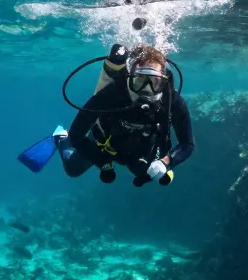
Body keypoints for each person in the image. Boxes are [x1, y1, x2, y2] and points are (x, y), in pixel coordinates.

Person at [55, 43, 194, 186]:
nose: (146, 89)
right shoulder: (113, 93)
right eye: (140, 80)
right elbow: (77, 134)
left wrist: (166, 162)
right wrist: (103, 162)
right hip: (104, 143)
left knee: (146, 173)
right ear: (130, 77)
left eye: (154, 82)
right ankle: (60, 138)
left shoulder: (171, 99)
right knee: (72, 169)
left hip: (143, 149)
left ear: (163, 82)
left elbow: (187, 144)